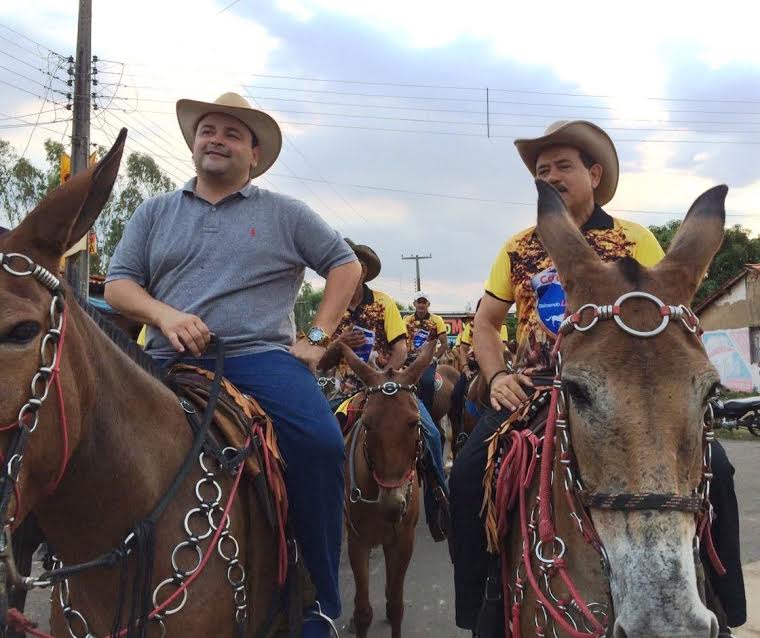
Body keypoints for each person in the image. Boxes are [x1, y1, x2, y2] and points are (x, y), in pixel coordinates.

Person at [449, 120, 746, 634]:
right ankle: (486, 607)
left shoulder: (634, 238)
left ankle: (725, 602)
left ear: (595, 173)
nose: (552, 175)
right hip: (536, 387)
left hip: (630, 391)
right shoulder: (519, 247)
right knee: (469, 474)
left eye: (564, 166)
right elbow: (486, 322)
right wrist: (496, 375)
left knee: (716, 465)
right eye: (543, 171)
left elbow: (667, 311)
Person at [104, 92, 362, 636]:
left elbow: (345, 264)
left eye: (230, 134)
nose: (215, 139)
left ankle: (320, 601)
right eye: (207, 131)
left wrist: (317, 336)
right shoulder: (155, 211)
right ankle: (33, 575)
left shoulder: (284, 213)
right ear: (194, 144)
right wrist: (164, 314)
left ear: (254, 153)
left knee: (320, 444)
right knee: (66, 426)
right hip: (163, 358)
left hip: (258, 358)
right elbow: (120, 284)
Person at [318, 241, 450, 541]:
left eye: (348, 263)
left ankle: (439, 506)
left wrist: (387, 372)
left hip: (388, 389)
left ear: (362, 270)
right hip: (343, 391)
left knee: (428, 433)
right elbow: (315, 352)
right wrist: (338, 345)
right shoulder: (326, 309)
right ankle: (317, 516)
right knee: (313, 442)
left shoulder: (384, 303)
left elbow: (401, 348)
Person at [403, 291, 448, 417]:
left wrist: (434, 358)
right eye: (419, 302)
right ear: (414, 304)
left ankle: (427, 414)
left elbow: (444, 343)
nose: (421, 305)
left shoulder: (436, 320)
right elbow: (401, 341)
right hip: (409, 360)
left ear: (428, 304)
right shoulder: (407, 320)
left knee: (427, 382)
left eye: (424, 302)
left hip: (427, 361)